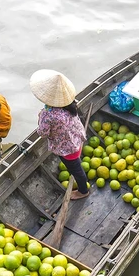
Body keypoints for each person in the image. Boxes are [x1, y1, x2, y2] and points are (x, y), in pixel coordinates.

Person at [30, 70, 88, 200]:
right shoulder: (70, 104)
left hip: (66, 149)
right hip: (76, 140)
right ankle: (80, 178)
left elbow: (42, 133)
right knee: (76, 165)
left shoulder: (48, 114)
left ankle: (83, 191)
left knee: (76, 170)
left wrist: (40, 118)